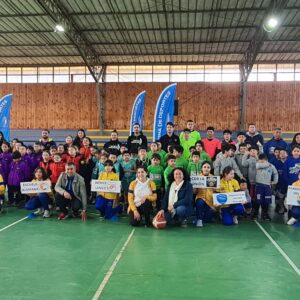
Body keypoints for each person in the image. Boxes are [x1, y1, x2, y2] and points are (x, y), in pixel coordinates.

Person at [252, 154, 278, 220]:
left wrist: (275, 181)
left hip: (267, 187)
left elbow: (275, 173)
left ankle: (265, 214)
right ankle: (255, 213)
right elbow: (258, 165)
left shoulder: (271, 166)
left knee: (266, 201)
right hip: (259, 186)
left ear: (265, 160)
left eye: (262, 161)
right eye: (260, 160)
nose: (260, 162)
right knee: (258, 200)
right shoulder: (258, 164)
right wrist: (267, 163)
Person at [194, 161, 217, 227]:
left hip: (210, 200)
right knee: (200, 203)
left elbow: (216, 191)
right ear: (201, 168)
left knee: (208, 219)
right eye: (204, 167)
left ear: (210, 169)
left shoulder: (213, 178)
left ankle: (203, 217)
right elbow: (195, 192)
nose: (206, 169)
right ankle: (199, 220)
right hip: (200, 197)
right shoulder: (197, 177)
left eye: (208, 167)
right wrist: (194, 188)